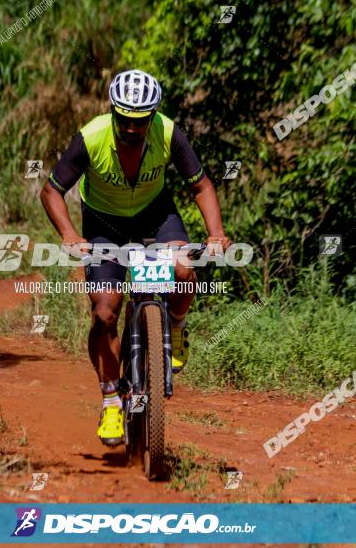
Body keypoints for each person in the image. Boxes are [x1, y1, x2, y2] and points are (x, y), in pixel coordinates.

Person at [39, 69, 231, 446]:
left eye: (139, 122)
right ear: (113, 112)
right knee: (106, 311)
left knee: (184, 270)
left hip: (155, 216)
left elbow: (202, 185)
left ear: (152, 116)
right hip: (102, 224)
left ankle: (174, 327)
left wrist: (216, 232)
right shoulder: (91, 137)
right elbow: (51, 191)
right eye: (124, 119)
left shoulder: (167, 132)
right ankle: (111, 400)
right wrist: (69, 235)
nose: (130, 128)